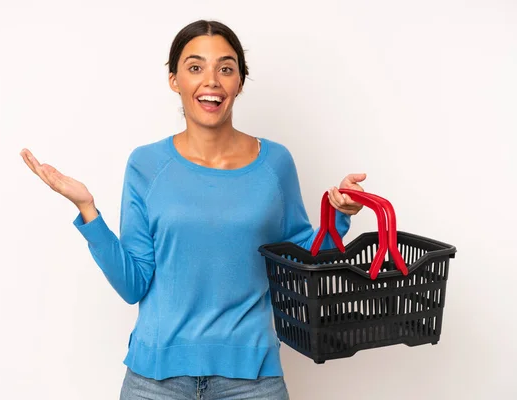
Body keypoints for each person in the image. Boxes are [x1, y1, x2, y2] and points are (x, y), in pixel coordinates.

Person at [20, 19, 366, 400]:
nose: (212, 80)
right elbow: (133, 284)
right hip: (155, 381)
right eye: (195, 67)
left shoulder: (275, 164)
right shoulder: (146, 165)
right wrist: (87, 209)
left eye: (226, 68)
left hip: (252, 380)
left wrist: (340, 214)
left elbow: (304, 264)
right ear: (174, 80)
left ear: (239, 83)